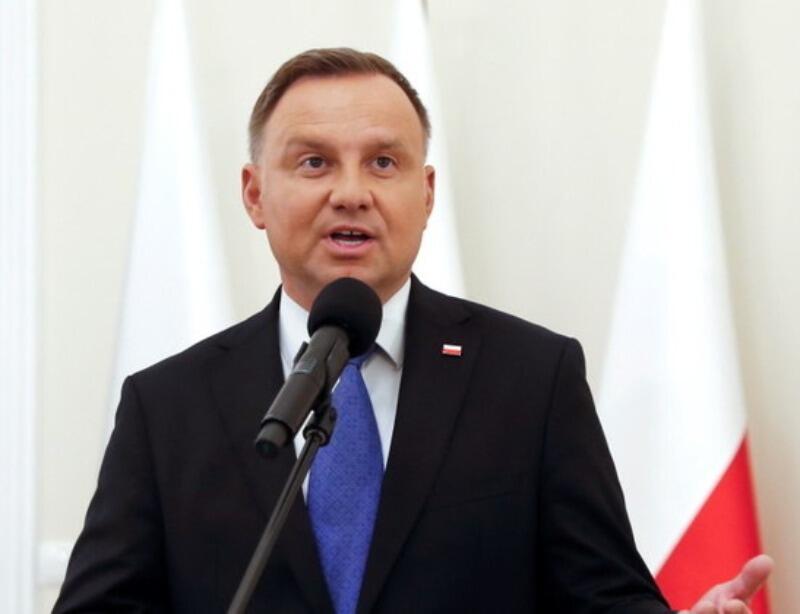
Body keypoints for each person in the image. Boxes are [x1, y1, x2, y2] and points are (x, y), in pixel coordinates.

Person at [54, 48, 772, 613]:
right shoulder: (167, 405)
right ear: (255, 195)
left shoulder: (532, 380)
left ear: (425, 195)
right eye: (314, 162)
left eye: (383, 162)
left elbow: (602, 597)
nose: (351, 193)